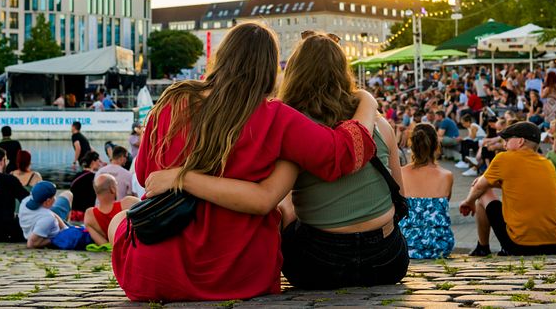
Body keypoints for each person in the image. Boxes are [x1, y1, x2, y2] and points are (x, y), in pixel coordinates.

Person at [109, 23, 379, 302]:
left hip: (155, 273)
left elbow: (144, 177)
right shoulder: (276, 117)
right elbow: (345, 153)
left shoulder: (170, 104)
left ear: (222, 57)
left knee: (120, 217)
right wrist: (367, 101)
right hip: (241, 274)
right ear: (270, 68)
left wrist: (184, 176)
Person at [459, 122, 556, 256]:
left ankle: (482, 248)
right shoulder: (548, 164)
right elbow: (520, 183)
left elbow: (478, 186)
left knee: (482, 193)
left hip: (520, 246)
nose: (504, 145)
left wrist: (469, 201)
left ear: (520, 141)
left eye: (507, 140)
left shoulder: (504, 158)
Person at [398, 124, 454, 259]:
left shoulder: (400, 173)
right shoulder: (447, 175)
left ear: (412, 146)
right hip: (440, 246)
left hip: (407, 244)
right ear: (436, 145)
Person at [84, 174, 139, 245]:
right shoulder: (128, 203)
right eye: (116, 185)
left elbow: (104, 244)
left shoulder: (90, 215)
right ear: (112, 189)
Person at [18, 182, 74, 249]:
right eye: (54, 196)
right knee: (68, 194)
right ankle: (68, 226)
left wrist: (65, 228)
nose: (55, 198)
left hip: (41, 223)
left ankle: (68, 226)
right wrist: (55, 239)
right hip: (49, 228)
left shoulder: (25, 201)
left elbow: (49, 213)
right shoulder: (48, 218)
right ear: (48, 201)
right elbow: (31, 244)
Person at [70, 151, 101, 220]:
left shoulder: (76, 176)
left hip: (73, 213)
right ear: (93, 162)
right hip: (86, 214)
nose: (100, 164)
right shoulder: (94, 177)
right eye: (98, 161)